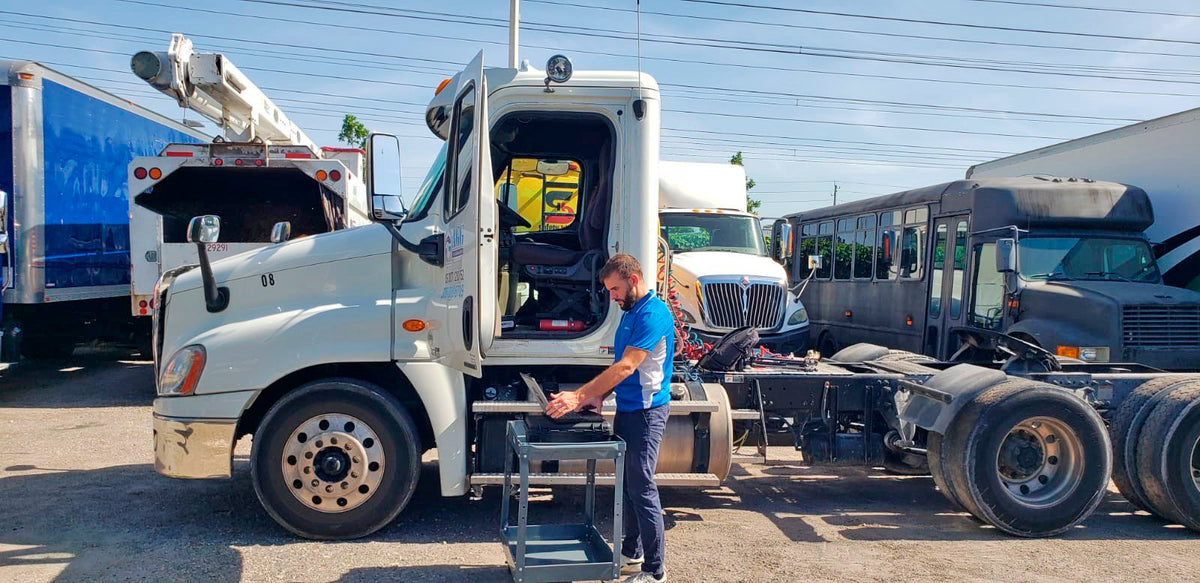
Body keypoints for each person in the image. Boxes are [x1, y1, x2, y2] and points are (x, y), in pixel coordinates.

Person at [545, 253, 674, 583]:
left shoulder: (653, 314)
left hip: (647, 414)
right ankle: (632, 553)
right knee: (629, 486)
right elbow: (622, 369)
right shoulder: (630, 313)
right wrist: (600, 396)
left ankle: (655, 571)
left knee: (642, 487)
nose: (612, 297)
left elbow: (627, 366)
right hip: (629, 410)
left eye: (615, 289)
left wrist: (579, 396)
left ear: (633, 280)